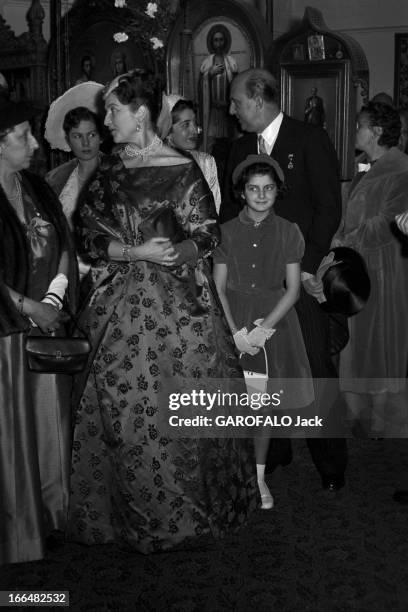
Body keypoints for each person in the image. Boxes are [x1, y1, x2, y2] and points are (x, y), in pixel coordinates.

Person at [66, 70, 257, 554]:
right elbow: (86, 234)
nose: (107, 120)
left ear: (141, 113)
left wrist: (183, 252)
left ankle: (188, 514)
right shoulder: (109, 169)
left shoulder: (181, 168)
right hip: (118, 303)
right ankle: (127, 514)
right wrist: (133, 253)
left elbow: (208, 232)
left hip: (181, 307)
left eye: (114, 110)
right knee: (123, 410)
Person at [222, 68, 347, 492]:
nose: (232, 109)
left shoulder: (310, 138)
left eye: (237, 101)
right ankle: (274, 452)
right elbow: (228, 217)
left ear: (258, 99)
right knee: (261, 369)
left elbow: (329, 208)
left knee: (315, 365)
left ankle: (331, 463)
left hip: (301, 279)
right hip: (252, 284)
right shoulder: (238, 147)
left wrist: (308, 266)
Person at [0, 98, 78, 564]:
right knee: (13, 430)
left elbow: (65, 241)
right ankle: (18, 525)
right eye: (23, 136)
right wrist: (28, 307)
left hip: (47, 326)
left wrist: (54, 298)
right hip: (7, 333)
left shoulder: (37, 185)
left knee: (51, 424)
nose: (34, 143)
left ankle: (52, 513)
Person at [213, 154, 313, 509]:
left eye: (268, 189)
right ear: (241, 192)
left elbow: (293, 289)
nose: (260, 195)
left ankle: (257, 479)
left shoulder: (288, 231)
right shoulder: (224, 231)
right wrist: (236, 333)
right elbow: (219, 288)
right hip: (234, 320)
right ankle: (229, 475)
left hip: (272, 323)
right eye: (253, 189)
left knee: (261, 406)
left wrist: (263, 330)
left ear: (277, 192)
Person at [334, 102, 408, 436]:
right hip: (356, 264)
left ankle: (383, 418)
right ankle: (356, 411)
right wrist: (337, 237)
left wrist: (346, 241)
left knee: (380, 338)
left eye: (359, 124)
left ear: (376, 131)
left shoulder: (401, 168)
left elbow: (388, 222)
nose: (355, 129)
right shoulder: (363, 165)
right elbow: (349, 212)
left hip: (384, 268)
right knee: (356, 337)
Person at [157, 95, 221, 214]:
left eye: (195, 123)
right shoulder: (155, 164)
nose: (194, 130)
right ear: (168, 131)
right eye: (186, 125)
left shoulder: (205, 162)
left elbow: (214, 208)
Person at [199, 25, 238, 152]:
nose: (219, 43)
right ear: (212, 42)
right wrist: (210, 73)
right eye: (216, 40)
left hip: (227, 111)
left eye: (221, 40)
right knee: (209, 142)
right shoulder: (207, 63)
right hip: (211, 111)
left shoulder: (231, 62)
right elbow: (200, 86)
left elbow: (237, 85)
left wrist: (228, 103)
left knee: (228, 143)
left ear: (225, 41)